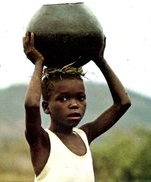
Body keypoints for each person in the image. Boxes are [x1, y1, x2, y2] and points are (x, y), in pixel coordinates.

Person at [23, 32, 131, 182]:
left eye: (80, 98)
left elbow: (123, 103)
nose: (74, 104)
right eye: (64, 98)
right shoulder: (42, 141)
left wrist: (100, 60)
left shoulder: (85, 135)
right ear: (46, 107)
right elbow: (31, 105)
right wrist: (38, 62)